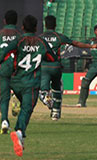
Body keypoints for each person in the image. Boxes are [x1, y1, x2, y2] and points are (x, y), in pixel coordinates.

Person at [0, 15, 58, 157]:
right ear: (36, 28)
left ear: (23, 27)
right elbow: (52, 58)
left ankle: (16, 112)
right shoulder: (41, 42)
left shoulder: (18, 41)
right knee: (27, 109)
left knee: (23, 106)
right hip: (31, 83)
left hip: (15, 80)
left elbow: (3, 53)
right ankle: (19, 132)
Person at [40, 15, 97, 120]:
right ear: (55, 25)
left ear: (45, 25)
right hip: (56, 66)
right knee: (57, 89)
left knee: (43, 88)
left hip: (43, 66)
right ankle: (55, 113)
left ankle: (45, 97)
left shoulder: (39, 37)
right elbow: (76, 43)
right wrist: (91, 46)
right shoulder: (59, 36)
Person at [0, 10, 21, 134]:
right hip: (16, 69)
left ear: (4, 21)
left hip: (3, 68)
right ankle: (17, 98)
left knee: (4, 97)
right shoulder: (20, 36)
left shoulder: (1, 34)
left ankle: (4, 121)